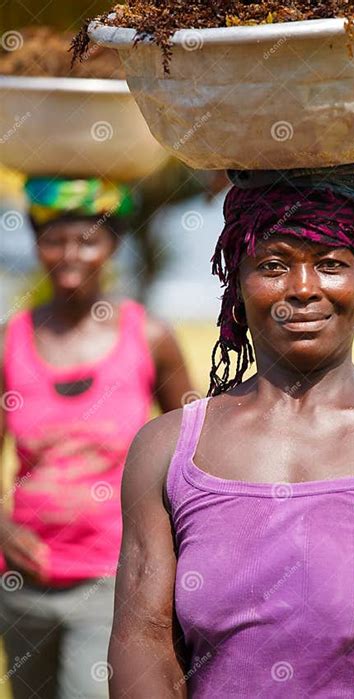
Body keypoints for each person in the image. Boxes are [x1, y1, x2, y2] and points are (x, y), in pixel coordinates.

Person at [107, 164, 354, 697]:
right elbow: (144, 642)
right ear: (237, 281)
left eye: (330, 264)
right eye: (274, 265)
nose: (302, 289)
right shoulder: (166, 450)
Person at [0, 177, 194, 698]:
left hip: (115, 577)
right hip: (23, 583)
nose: (69, 255)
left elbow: (193, 447)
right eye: (53, 240)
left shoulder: (148, 336)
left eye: (87, 240)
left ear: (113, 245)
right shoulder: (10, 341)